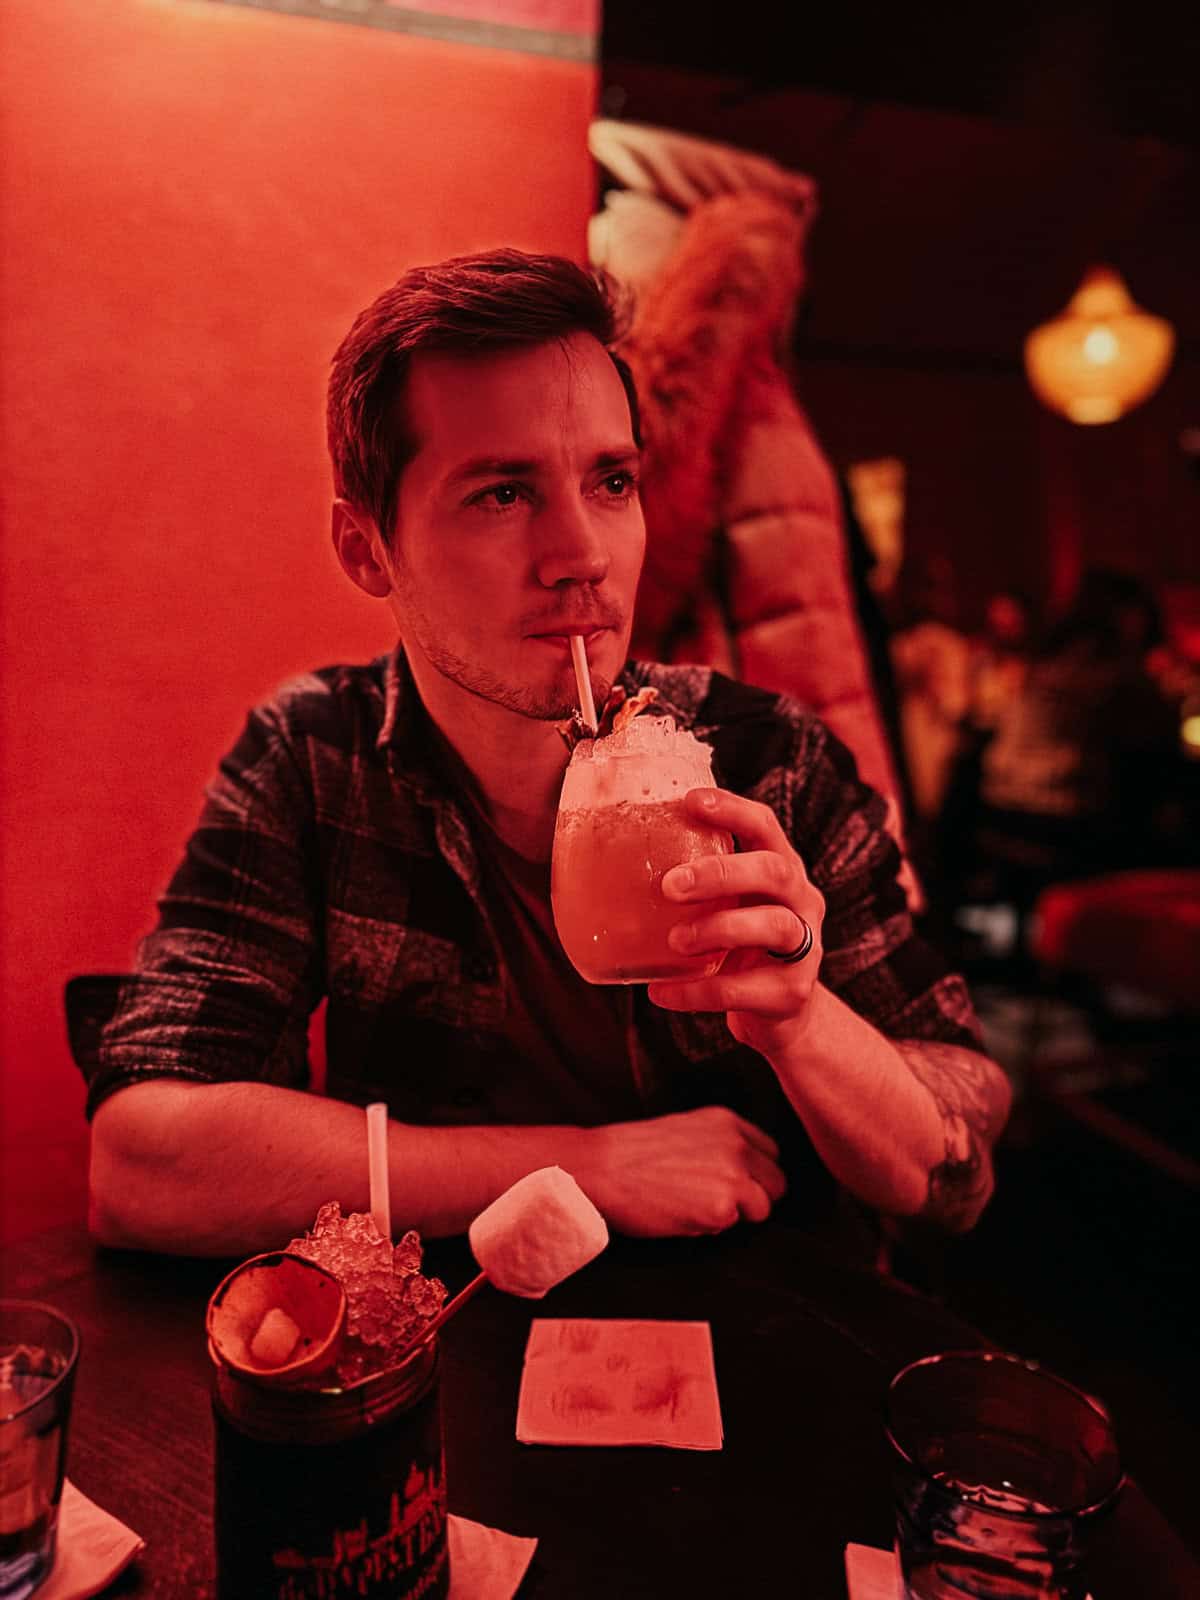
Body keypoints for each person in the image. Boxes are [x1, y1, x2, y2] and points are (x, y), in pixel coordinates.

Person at [73, 250, 1011, 1261]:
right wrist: (582, 1168)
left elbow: (956, 1166)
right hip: (452, 1330)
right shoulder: (313, 755)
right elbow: (139, 1167)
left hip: (765, 1320)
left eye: (612, 481)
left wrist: (801, 1020)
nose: (585, 556)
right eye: (502, 494)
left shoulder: (766, 757)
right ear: (366, 548)